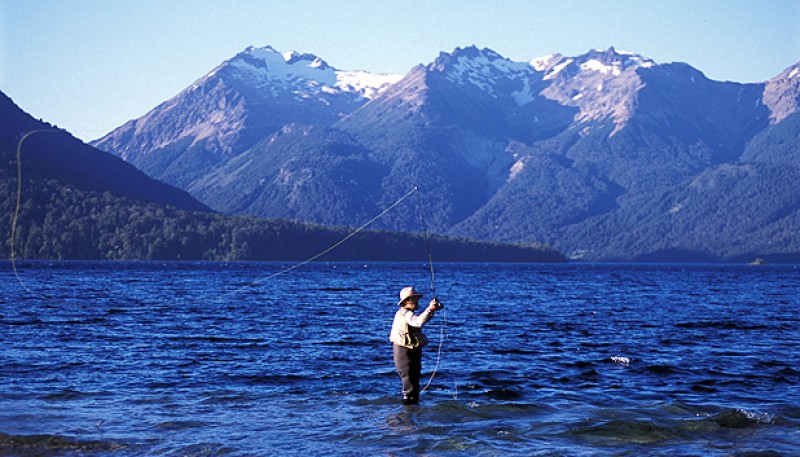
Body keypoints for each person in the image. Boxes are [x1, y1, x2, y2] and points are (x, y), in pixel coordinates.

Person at [389, 286, 443, 405]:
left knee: (414, 382)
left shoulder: (408, 314)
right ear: (407, 301)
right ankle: (407, 414)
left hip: (412, 350)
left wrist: (431, 310)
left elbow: (419, 320)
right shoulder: (405, 314)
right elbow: (418, 322)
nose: (417, 301)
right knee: (409, 383)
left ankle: (412, 412)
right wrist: (430, 309)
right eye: (415, 299)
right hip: (404, 351)